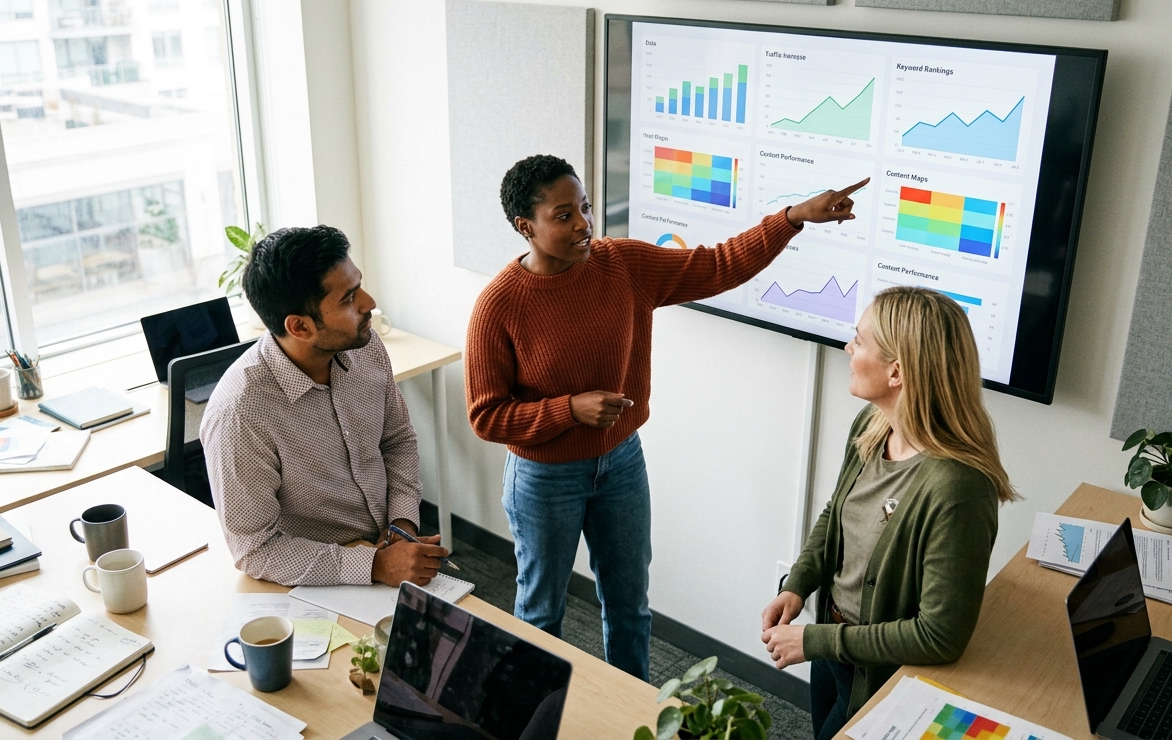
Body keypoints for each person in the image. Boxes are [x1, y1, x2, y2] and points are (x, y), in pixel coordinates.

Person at [466, 153, 868, 680]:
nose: (583, 223)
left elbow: (719, 265)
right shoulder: (499, 305)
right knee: (541, 614)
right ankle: (531, 719)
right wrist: (569, 410)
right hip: (544, 478)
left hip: (621, 465)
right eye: (563, 216)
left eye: (584, 208)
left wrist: (790, 218)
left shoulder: (624, 265)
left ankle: (633, 716)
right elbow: (487, 416)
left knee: (630, 606)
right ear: (526, 227)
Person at [759, 286, 1017, 738]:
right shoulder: (873, 425)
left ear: (896, 372)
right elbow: (836, 515)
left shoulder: (958, 489)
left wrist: (815, 640)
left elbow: (939, 636)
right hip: (832, 648)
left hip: (878, 676)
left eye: (858, 341)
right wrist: (799, 584)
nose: (847, 347)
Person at [201, 225, 449, 587]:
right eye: (349, 299)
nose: (369, 302)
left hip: (386, 550)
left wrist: (402, 524)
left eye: (358, 285)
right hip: (312, 583)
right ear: (299, 327)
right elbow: (255, 549)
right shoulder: (240, 413)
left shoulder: (365, 347)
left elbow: (397, 441)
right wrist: (373, 566)